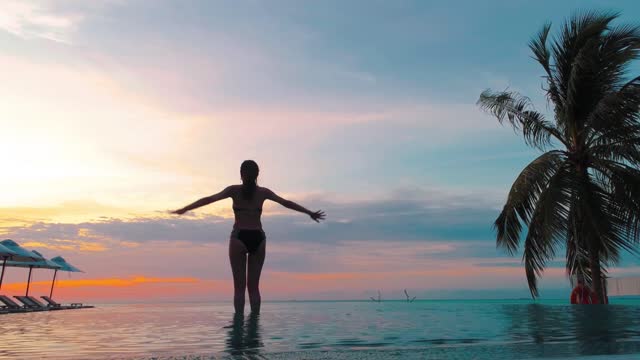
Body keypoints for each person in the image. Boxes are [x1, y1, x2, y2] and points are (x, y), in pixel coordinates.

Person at [172, 160, 326, 314]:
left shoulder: (233, 190)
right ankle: (254, 328)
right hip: (258, 238)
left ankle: (238, 328)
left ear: (241, 174)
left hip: (239, 237)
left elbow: (209, 199)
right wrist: (309, 212)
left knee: (239, 289)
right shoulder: (263, 192)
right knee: (254, 288)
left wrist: (185, 209)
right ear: (257, 175)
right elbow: (286, 203)